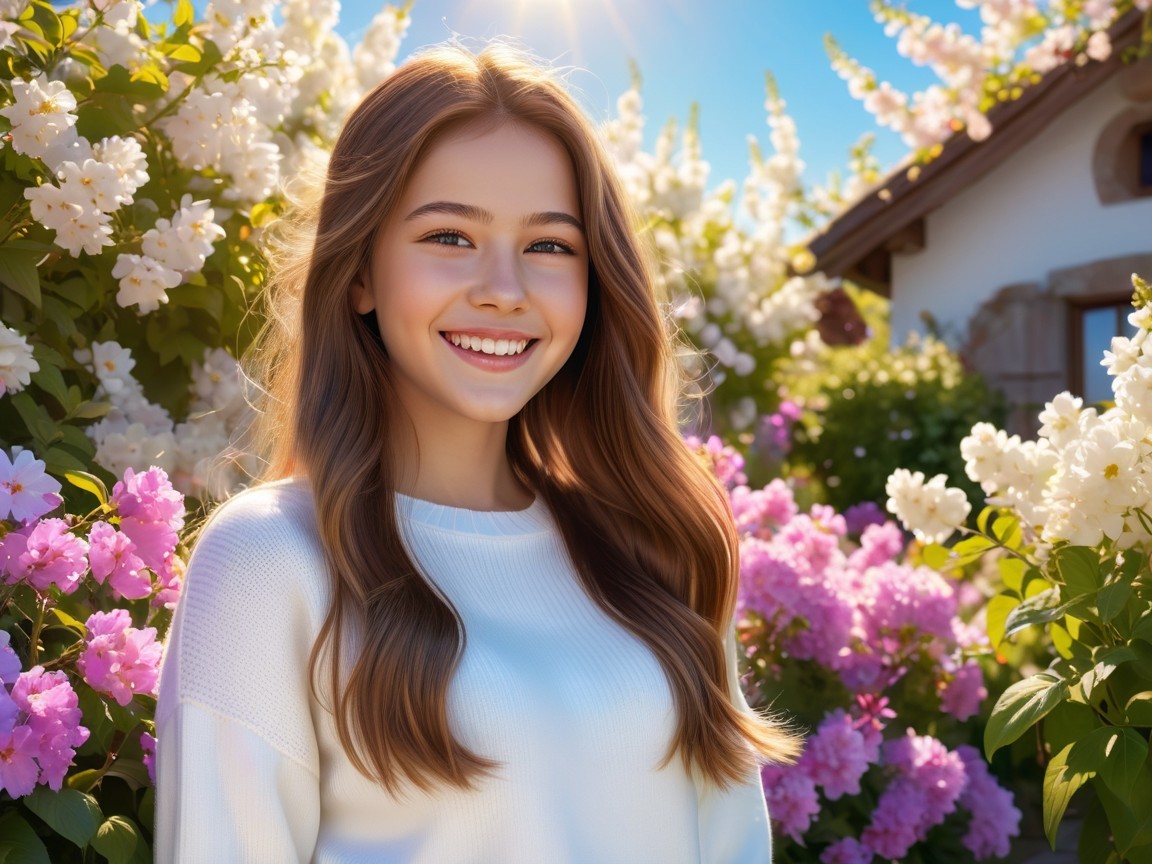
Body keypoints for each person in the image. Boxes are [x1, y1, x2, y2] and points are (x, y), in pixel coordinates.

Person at [155, 42, 800, 863]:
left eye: (550, 246)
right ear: (360, 273)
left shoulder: (658, 546)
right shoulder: (271, 559)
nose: (504, 289)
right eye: (450, 236)